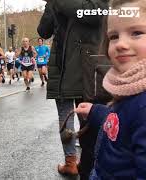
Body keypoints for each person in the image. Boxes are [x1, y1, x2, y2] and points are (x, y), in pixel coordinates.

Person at [75, 0, 146, 178]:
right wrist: (96, 111)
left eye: (136, 33)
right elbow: (122, 122)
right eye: (113, 36)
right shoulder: (130, 87)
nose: (120, 44)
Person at [38, 0, 108, 178]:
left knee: (89, 116)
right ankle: (71, 161)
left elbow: (97, 14)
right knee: (65, 115)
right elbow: (43, 30)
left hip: (87, 62)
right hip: (61, 65)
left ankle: (88, 163)